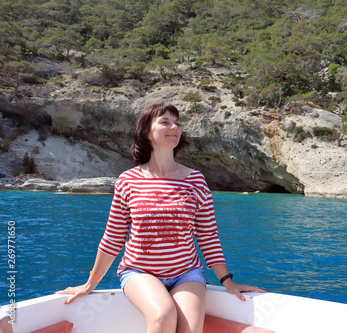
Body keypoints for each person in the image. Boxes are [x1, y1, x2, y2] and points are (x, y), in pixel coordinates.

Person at [57, 103, 265, 333]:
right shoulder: (128, 181)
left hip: (187, 273)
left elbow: (208, 236)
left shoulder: (195, 180)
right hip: (139, 272)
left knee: (190, 329)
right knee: (163, 315)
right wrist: (90, 283)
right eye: (165, 121)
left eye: (177, 123)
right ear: (146, 131)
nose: (174, 127)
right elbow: (113, 237)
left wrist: (227, 281)